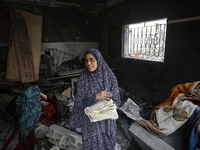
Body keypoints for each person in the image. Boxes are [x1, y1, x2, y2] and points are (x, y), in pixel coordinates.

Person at [69, 49, 121, 150]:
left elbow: (117, 101)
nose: (88, 63)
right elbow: (79, 103)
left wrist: (107, 106)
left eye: (92, 60)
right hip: (90, 124)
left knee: (108, 146)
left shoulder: (110, 78)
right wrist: (96, 97)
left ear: (98, 60)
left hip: (107, 123)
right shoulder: (83, 79)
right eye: (86, 60)